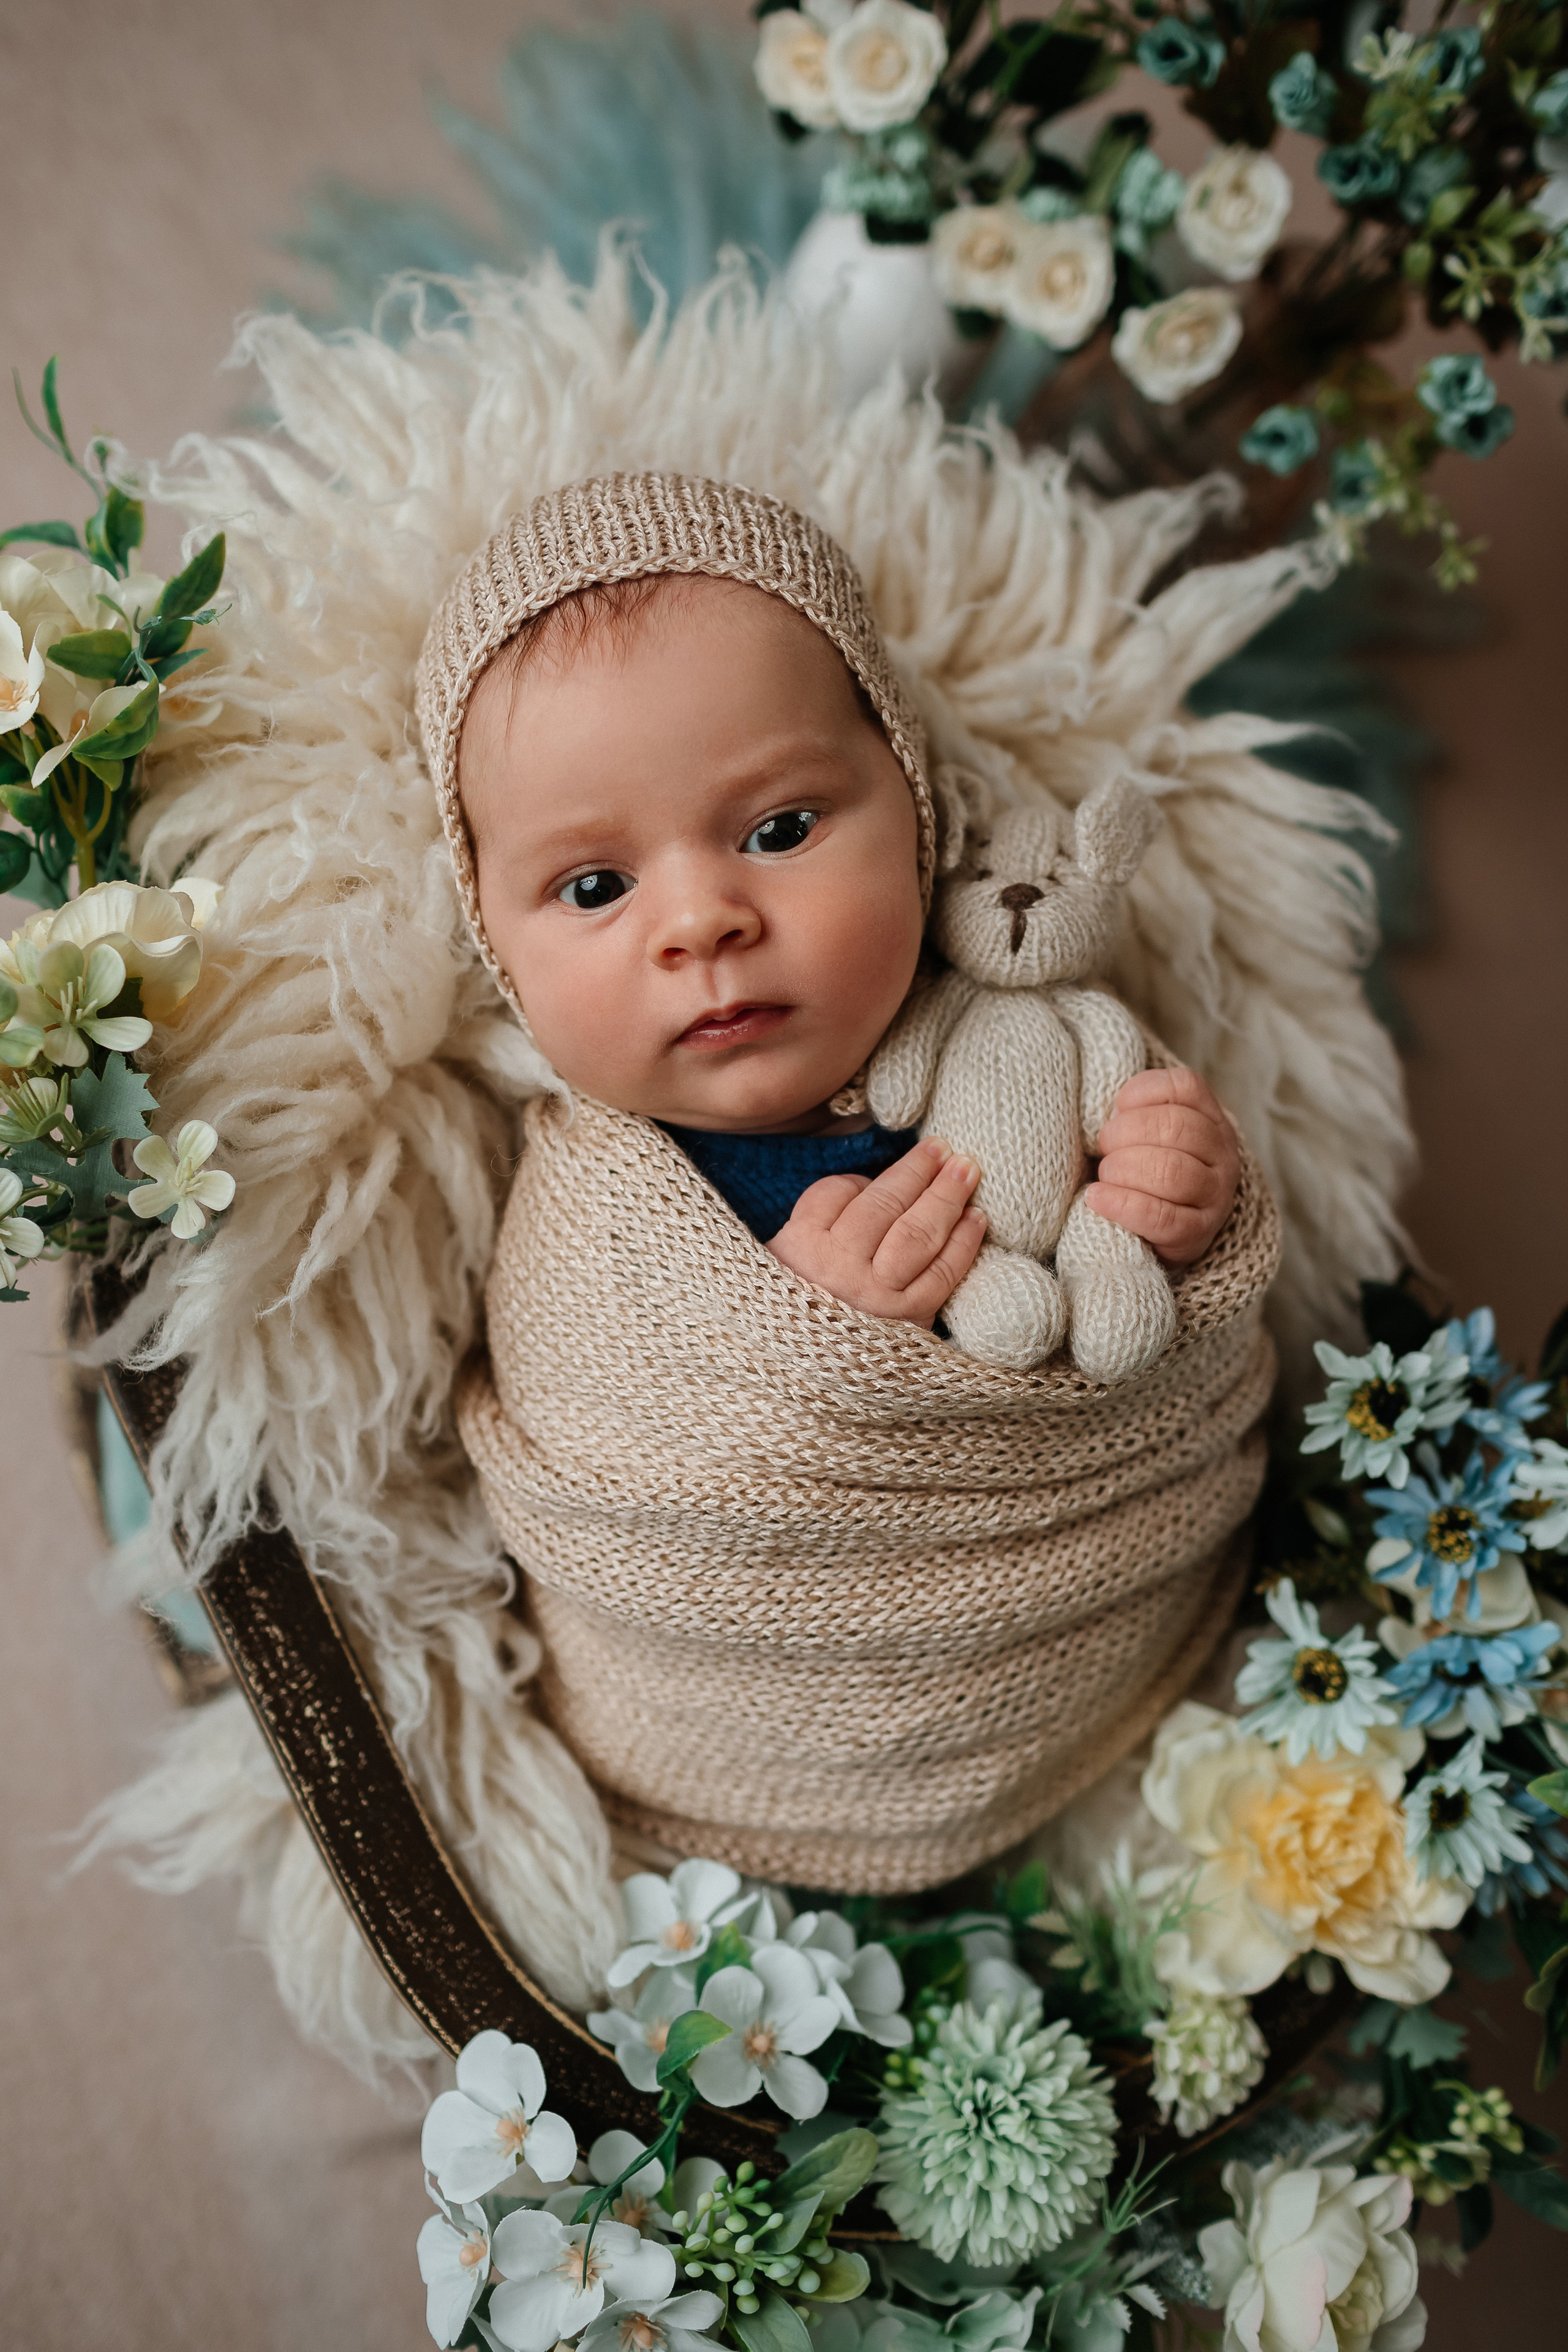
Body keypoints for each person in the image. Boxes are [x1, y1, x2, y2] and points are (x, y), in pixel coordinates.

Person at [415, 470, 1278, 1894]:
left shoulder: (1020, 1034)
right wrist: (808, 1351)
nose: (701, 922)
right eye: (593, 888)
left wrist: (1180, 1201)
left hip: (1106, 1644)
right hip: (730, 1740)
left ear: (917, 813)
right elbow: (616, 1464)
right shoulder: (592, 1213)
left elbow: (1170, 1313)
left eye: (777, 830)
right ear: (496, 947)